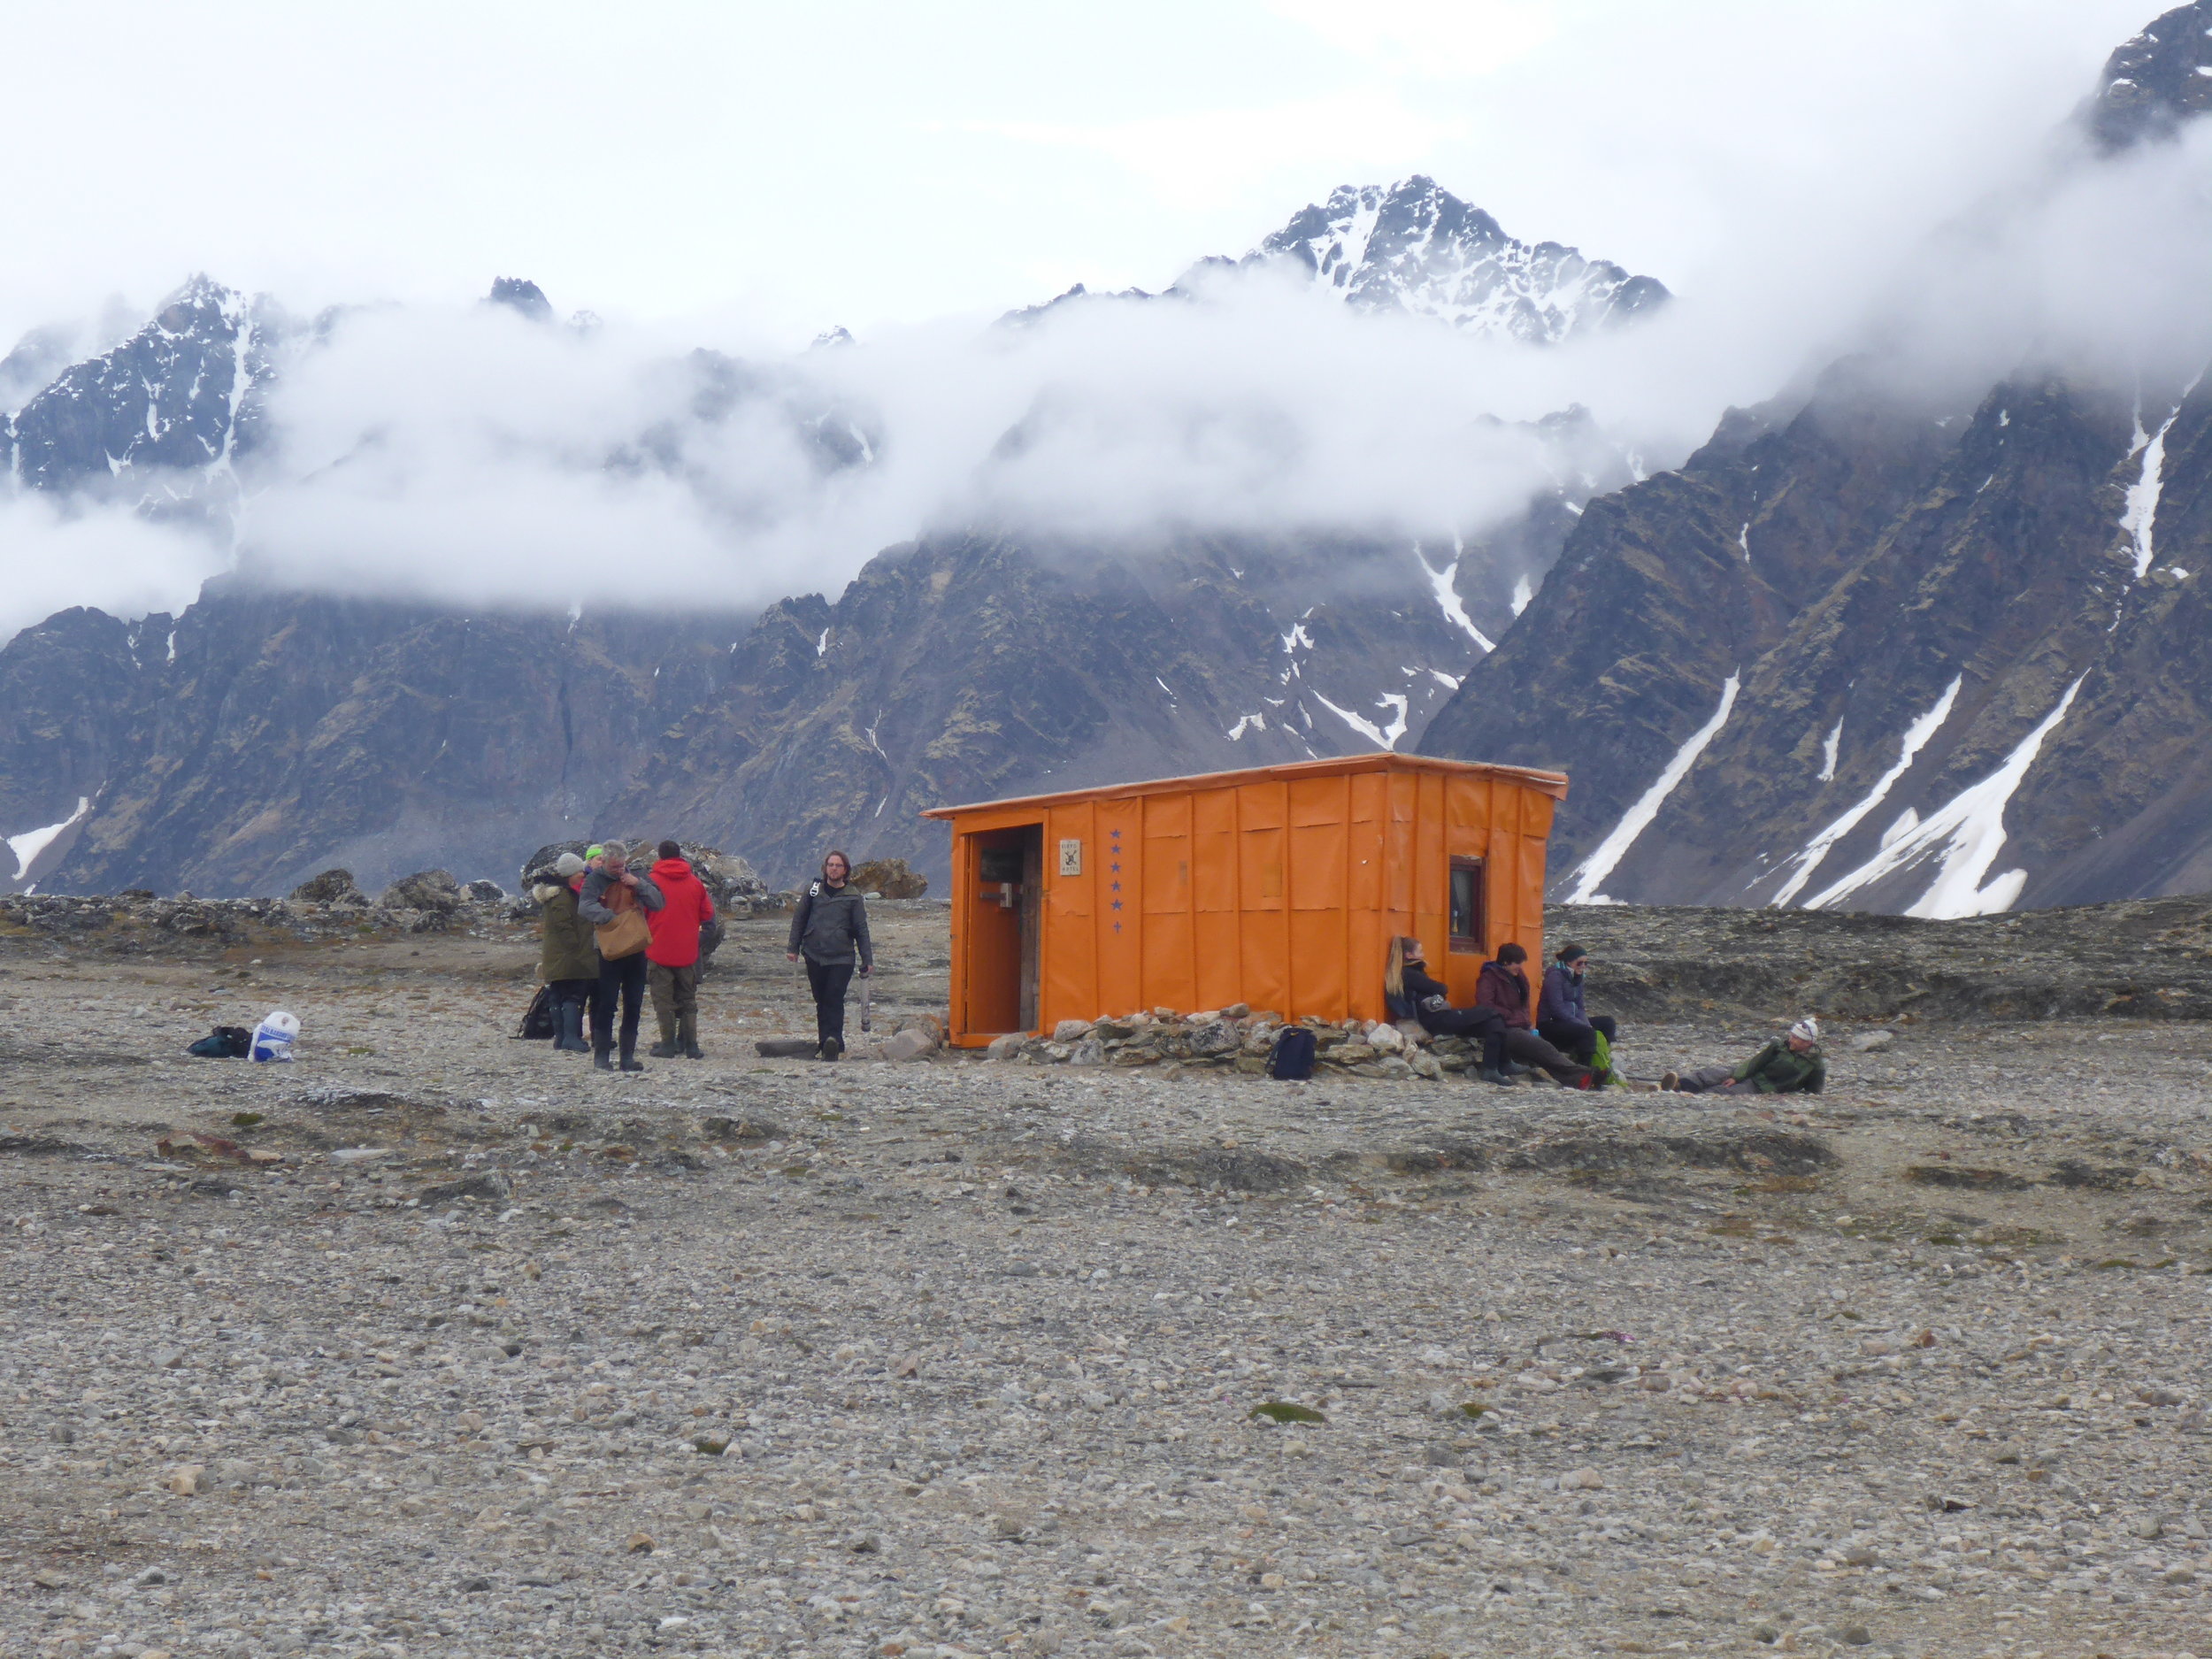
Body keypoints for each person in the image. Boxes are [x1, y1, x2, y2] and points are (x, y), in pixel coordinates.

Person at [578, 840, 664, 1072]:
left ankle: (627, 1057)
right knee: (606, 1004)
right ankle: (602, 1057)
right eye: (615, 867)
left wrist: (638, 885)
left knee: (634, 1003)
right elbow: (584, 907)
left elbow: (658, 903)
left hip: (636, 948)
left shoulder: (636, 876)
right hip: (610, 950)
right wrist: (610, 918)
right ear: (604, 862)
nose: (619, 871)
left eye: (622, 866)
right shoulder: (595, 880)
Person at [1383, 935, 1513, 1086]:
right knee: (1491, 1012)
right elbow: (1441, 988)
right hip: (1436, 1020)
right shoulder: (1410, 974)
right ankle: (1503, 1064)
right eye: (1420, 951)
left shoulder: (1409, 973)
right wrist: (1439, 993)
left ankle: (1493, 1068)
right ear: (1409, 955)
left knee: (1493, 1024)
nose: (1423, 954)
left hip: (1438, 1018)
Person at [787, 849, 872, 1061]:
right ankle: (828, 1042)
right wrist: (793, 948)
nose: (834, 869)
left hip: (842, 957)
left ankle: (832, 1040)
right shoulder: (813, 891)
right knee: (821, 999)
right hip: (814, 954)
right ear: (825, 868)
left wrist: (867, 959)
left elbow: (861, 929)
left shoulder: (853, 896)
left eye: (838, 865)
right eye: (831, 865)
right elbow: (799, 919)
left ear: (845, 870)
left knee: (834, 997)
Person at [1475, 941, 1596, 1087]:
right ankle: (1584, 1074)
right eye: (1517, 963)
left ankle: (1577, 1079)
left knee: (1541, 1051)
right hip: (1503, 1028)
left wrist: (1527, 1022)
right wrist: (1511, 1015)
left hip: (1520, 1026)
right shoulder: (1489, 978)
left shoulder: (1518, 977)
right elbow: (1485, 1006)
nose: (1520, 967)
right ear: (1505, 962)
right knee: (1543, 1048)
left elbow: (1524, 1005)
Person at [644, 839, 715, 1060]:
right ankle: (691, 1046)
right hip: (688, 952)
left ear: (660, 856)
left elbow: (641, 915)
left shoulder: (650, 882)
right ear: (679, 856)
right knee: (688, 998)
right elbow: (709, 918)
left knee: (663, 1000)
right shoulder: (695, 883)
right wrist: (697, 941)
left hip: (658, 949)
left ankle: (668, 1045)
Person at [531, 851, 597, 1053]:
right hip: (568, 957)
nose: (582, 875)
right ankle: (570, 1037)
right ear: (569, 873)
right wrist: (577, 947)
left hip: (558, 957)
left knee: (557, 995)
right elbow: (565, 926)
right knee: (572, 996)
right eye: (579, 872)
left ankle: (561, 1038)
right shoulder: (563, 897)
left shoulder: (556, 895)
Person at [1664, 1018, 1826, 1095]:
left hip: (1762, 1087)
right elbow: (1756, 1062)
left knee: (1723, 1091)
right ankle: (1680, 1085)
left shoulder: (1815, 1064)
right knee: (1713, 1074)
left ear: (1808, 1042)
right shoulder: (1779, 1046)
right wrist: (1737, 1076)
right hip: (1750, 1071)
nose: (1792, 1039)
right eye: (1792, 1035)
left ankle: (1687, 1095)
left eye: (1797, 1038)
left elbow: (1814, 1090)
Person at [1538, 944, 1619, 1069]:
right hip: (1550, 1024)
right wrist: (1580, 1024)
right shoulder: (1555, 976)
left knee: (1608, 1023)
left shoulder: (1578, 978)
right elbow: (1557, 1008)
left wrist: (1585, 1023)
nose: (1583, 966)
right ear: (1569, 962)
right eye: (1580, 963)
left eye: (1586, 963)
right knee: (1586, 1032)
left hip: (1570, 1021)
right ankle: (1583, 1068)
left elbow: (1580, 1006)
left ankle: (1602, 1056)